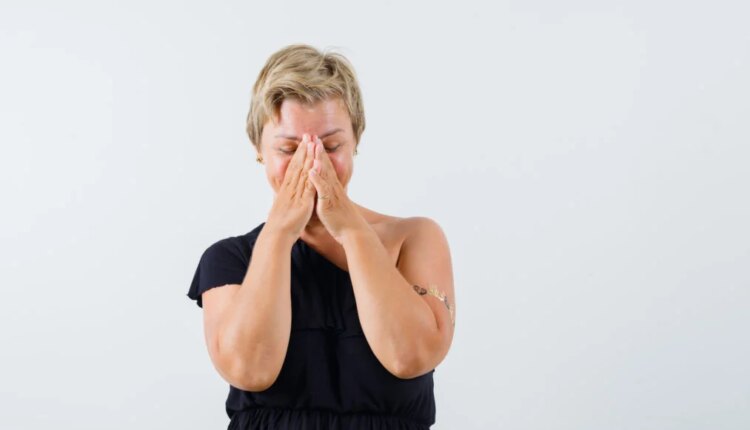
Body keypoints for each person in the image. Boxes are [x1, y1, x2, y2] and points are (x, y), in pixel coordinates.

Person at [187, 43, 456, 429]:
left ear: (355, 141)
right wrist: (280, 232)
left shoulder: (413, 238)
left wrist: (349, 228)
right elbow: (250, 370)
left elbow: (410, 356)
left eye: (331, 146)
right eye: (288, 149)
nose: (312, 165)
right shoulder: (230, 259)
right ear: (259, 149)